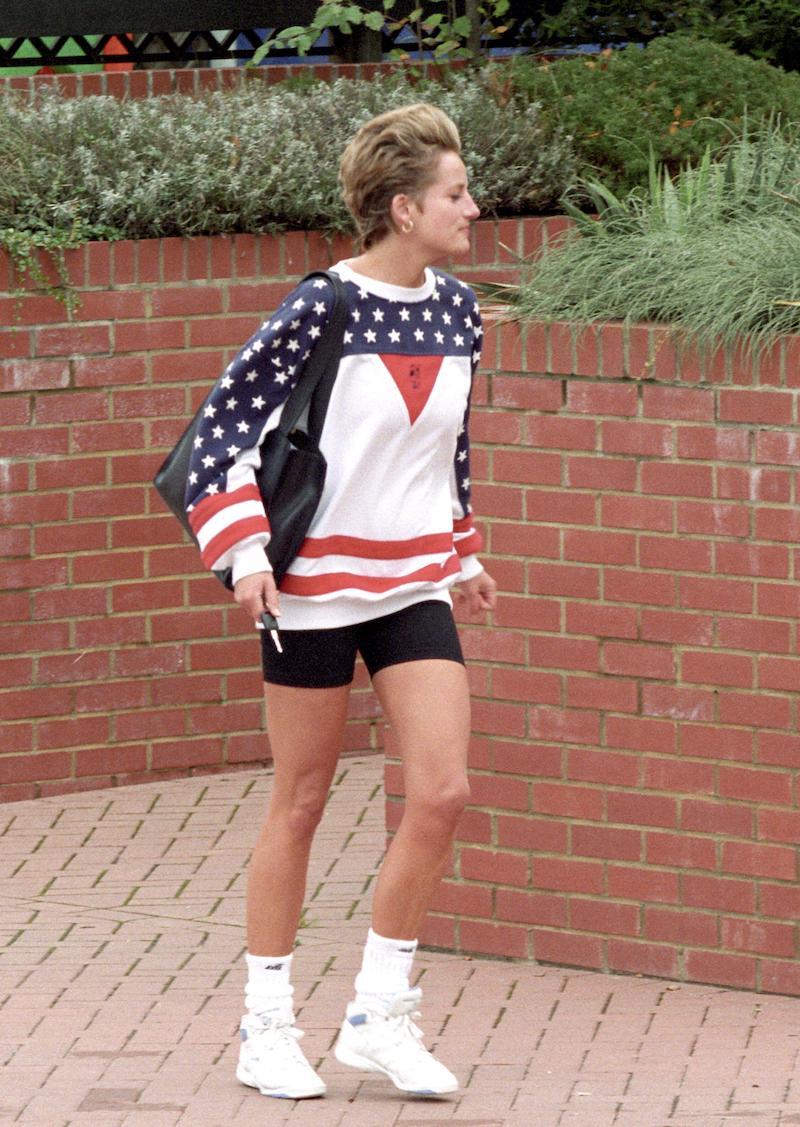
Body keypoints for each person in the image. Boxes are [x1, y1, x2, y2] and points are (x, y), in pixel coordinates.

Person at [185, 102, 497, 1100]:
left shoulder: (458, 308)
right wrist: (243, 555)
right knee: (301, 799)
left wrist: (458, 551)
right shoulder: (321, 305)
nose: (472, 207)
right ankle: (265, 1023)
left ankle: (376, 1012)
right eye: (455, 193)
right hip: (311, 591)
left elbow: (443, 446)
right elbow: (218, 436)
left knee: (441, 790)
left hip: (408, 581)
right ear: (403, 208)